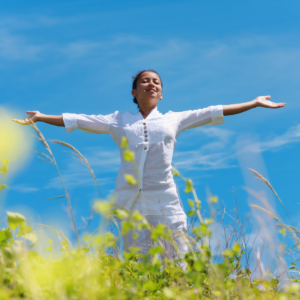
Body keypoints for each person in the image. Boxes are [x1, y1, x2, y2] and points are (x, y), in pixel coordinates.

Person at [13, 70, 286, 262]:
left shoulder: (173, 119)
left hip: (165, 200)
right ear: (135, 91)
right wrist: (42, 117)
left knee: (179, 256)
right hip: (129, 201)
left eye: (156, 81)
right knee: (138, 260)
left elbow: (214, 111)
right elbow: (79, 120)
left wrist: (254, 103)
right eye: (145, 81)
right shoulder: (118, 120)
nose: (151, 84)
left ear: (162, 93)